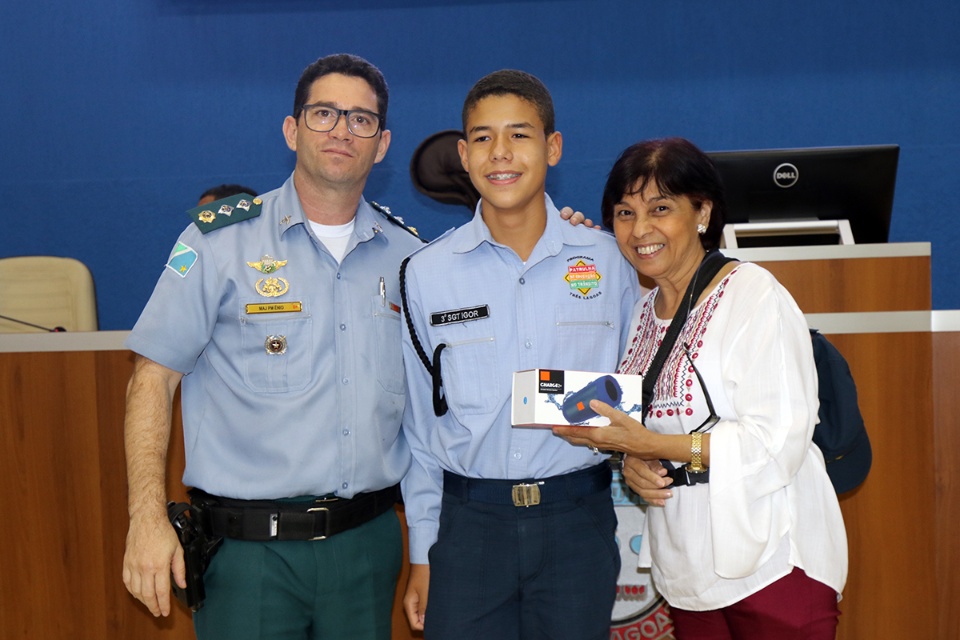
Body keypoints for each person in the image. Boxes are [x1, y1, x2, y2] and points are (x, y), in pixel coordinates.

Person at [121, 53, 424, 640]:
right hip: (249, 555)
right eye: (324, 113)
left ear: (381, 144)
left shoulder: (409, 255)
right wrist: (145, 518)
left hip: (366, 546)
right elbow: (151, 379)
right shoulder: (217, 240)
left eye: (361, 120)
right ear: (292, 129)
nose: (342, 130)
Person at [553, 137, 848, 639]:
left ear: (702, 212)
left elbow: (776, 441)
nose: (640, 230)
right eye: (624, 213)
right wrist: (635, 462)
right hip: (687, 568)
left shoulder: (753, 295)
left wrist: (651, 446)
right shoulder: (642, 313)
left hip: (771, 560)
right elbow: (651, 424)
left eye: (660, 208)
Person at [399, 69, 641, 639]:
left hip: (577, 523)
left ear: (553, 147)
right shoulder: (425, 274)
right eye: (482, 138)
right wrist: (422, 553)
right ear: (462, 154)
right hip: (469, 529)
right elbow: (418, 429)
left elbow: (640, 387)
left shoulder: (612, 262)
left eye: (520, 135)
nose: (500, 153)